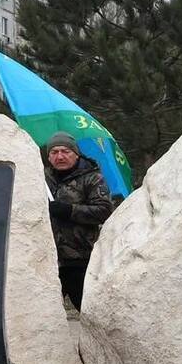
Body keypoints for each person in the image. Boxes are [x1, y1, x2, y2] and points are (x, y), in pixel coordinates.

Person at [45, 132, 114, 310]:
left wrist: (70, 211)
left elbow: (104, 211)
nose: (60, 156)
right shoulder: (42, 179)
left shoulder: (92, 177)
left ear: (76, 154)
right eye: (54, 152)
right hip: (48, 260)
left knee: (89, 311)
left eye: (65, 151)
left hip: (81, 260)